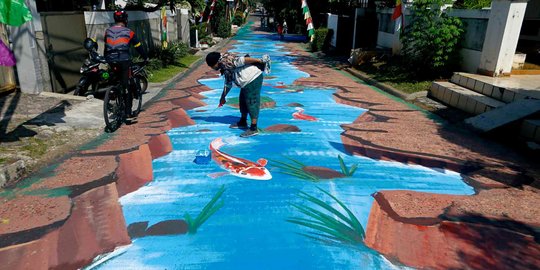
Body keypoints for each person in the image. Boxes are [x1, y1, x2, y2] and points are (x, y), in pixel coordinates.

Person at [205, 51, 271, 138]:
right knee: (243, 101)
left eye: (211, 66)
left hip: (253, 78)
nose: (212, 68)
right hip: (245, 82)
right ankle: (243, 122)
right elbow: (228, 83)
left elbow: (243, 60)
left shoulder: (228, 61)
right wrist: (223, 97)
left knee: (252, 102)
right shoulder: (224, 67)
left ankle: (253, 128)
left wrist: (259, 61)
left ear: (215, 63)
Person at [104, 10, 148, 118]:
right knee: (126, 85)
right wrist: (145, 57)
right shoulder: (129, 32)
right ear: (125, 20)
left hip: (110, 59)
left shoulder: (108, 31)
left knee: (115, 79)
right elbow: (138, 47)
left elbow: (106, 47)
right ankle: (128, 112)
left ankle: (113, 93)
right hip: (124, 60)